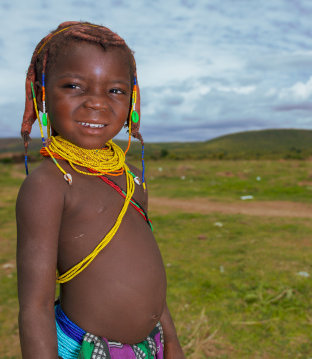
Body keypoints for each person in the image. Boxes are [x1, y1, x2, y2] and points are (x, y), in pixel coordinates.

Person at [16, 21, 185, 359]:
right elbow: (34, 307)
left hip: (150, 347)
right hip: (85, 349)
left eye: (116, 90)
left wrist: (172, 342)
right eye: (75, 86)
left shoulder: (132, 177)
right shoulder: (48, 185)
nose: (97, 103)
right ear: (43, 95)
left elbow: (148, 276)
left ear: (133, 101)